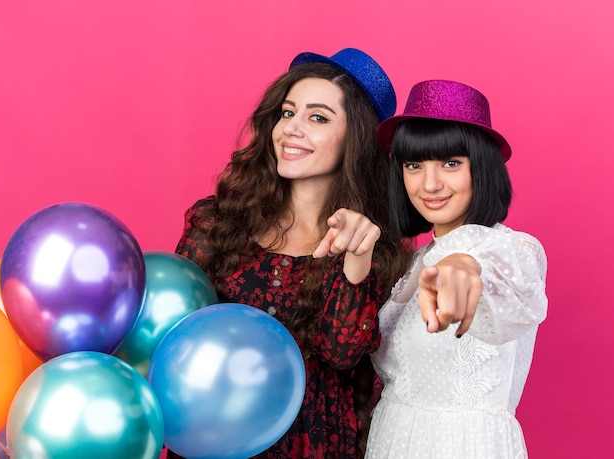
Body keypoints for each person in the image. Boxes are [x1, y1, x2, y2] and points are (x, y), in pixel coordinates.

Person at [173, 48, 412, 459]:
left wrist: (355, 260)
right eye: (288, 113)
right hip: (213, 442)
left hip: (316, 445)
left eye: (317, 118)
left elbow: (343, 353)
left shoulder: (379, 251)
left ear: (354, 139)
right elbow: (174, 338)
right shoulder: (217, 222)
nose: (292, 129)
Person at [365, 79, 548, 458]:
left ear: (481, 167)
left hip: (461, 446)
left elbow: (481, 266)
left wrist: (463, 266)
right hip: (393, 440)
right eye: (414, 165)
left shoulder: (512, 249)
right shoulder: (414, 262)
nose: (430, 184)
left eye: (451, 163)